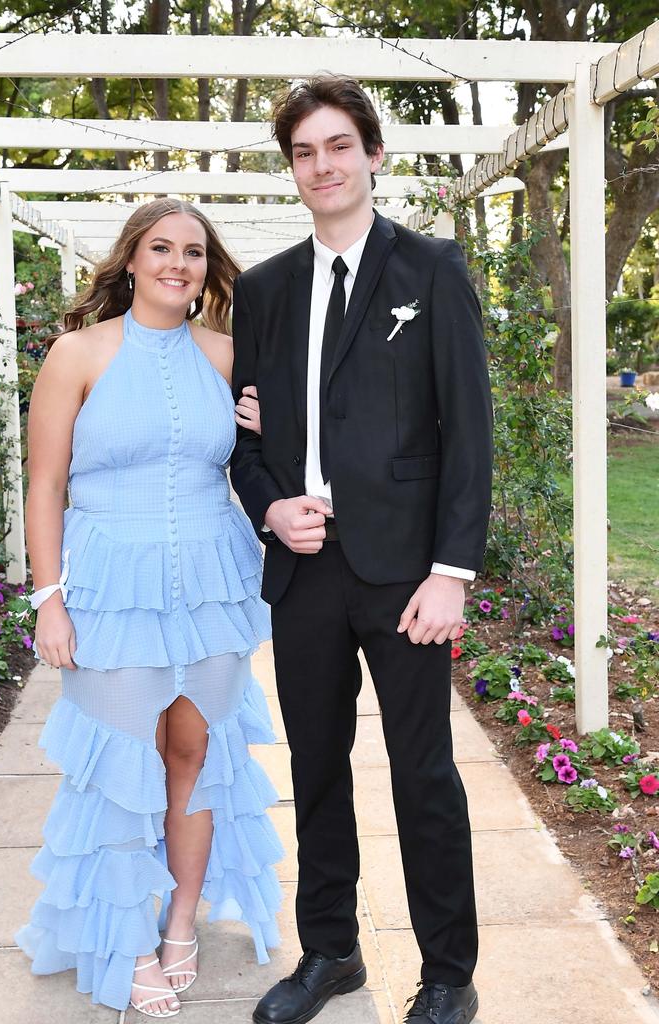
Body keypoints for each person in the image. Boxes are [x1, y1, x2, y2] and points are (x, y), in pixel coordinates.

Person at [231, 76, 493, 1024]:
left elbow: (469, 430)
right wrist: (270, 507)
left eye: (339, 146)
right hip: (305, 572)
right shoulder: (261, 292)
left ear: (373, 155)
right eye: (305, 152)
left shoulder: (430, 271)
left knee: (424, 772)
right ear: (293, 169)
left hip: (408, 575)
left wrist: (453, 572)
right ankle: (332, 951)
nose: (323, 166)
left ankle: (450, 973)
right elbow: (246, 443)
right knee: (316, 765)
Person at [16, 198, 282, 1018]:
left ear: (209, 268)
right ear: (131, 260)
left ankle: (177, 925)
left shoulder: (229, 357)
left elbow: (269, 463)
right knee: (121, 767)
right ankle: (126, 939)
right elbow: (46, 484)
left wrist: (269, 428)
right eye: (160, 248)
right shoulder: (77, 353)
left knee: (194, 757)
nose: (178, 264)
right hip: (107, 589)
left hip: (210, 583)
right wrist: (49, 601)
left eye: (194, 252)